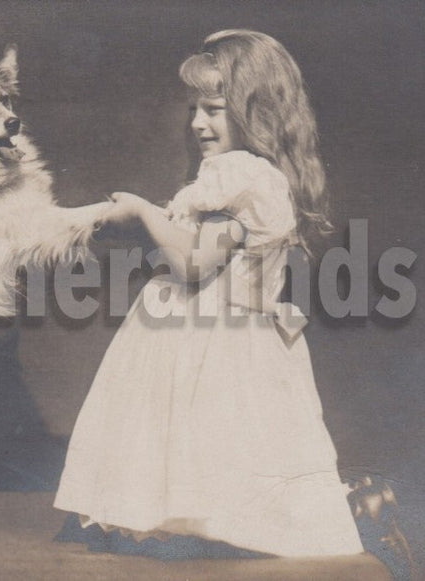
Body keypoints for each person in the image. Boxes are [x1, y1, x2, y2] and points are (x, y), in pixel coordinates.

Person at [54, 29, 367, 559]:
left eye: (215, 109)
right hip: (217, 328)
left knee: (219, 435)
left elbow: (195, 264)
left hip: (216, 333)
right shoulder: (246, 175)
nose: (198, 122)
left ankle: (321, 513)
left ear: (257, 113)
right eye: (195, 108)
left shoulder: (240, 174)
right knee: (223, 447)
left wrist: (142, 212)